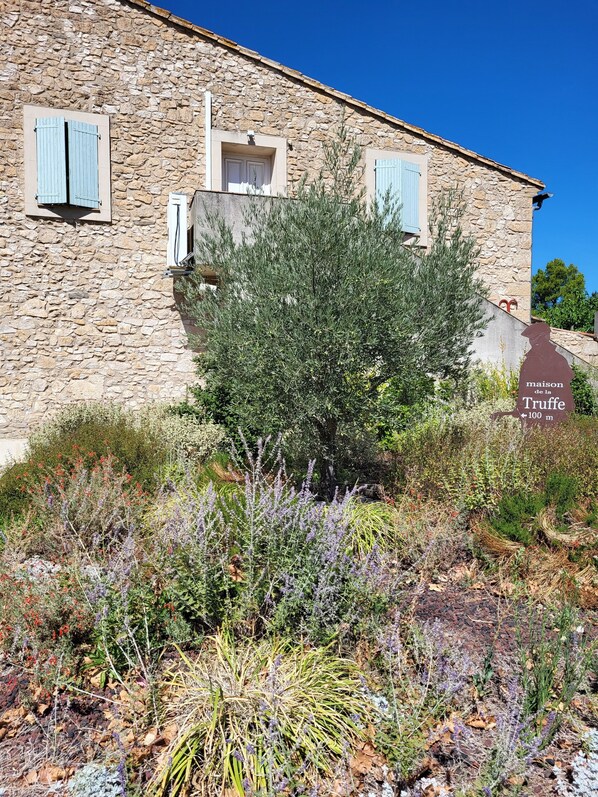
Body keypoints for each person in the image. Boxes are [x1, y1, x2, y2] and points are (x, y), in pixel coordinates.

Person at [491, 322, 574, 427]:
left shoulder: (559, 361)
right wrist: (519, 408)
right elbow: (523, 388)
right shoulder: (528, 363)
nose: (533, 342)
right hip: (532, 419)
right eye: (531, 339)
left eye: (537, 338)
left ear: (546, 337)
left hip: (556, 418)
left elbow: (567, 387)